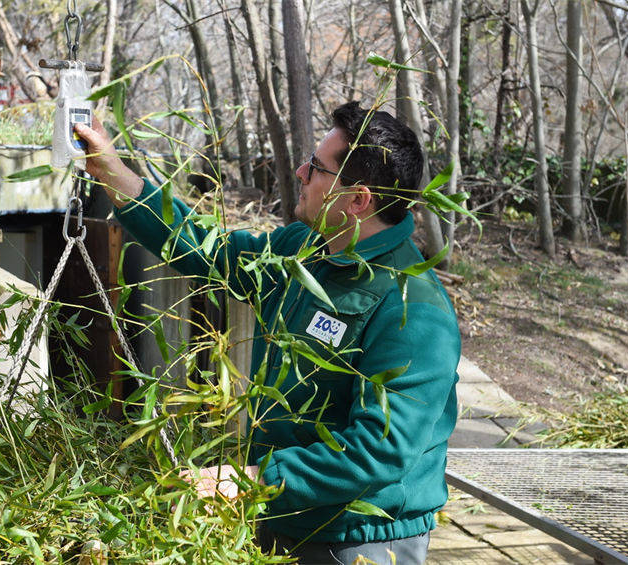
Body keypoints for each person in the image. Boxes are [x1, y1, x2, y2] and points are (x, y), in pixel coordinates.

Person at [75, 101, 460, 565]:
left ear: (358, 200)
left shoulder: (413, 309)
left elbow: (377, 451)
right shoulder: (303, 249)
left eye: (316, 168)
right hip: (278, 516)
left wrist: (254, 480)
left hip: (357, 537)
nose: (300, 171)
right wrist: (116, 175)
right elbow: (209, 249)